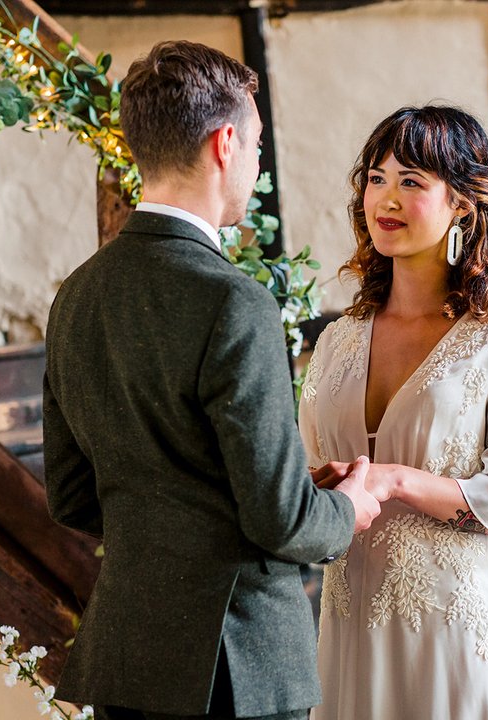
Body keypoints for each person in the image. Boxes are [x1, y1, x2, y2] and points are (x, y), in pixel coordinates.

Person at [43, 40, 381, 720]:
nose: (257, 166)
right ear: (226, 142)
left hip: (126, 657)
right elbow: (282, 522)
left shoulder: (76, 295)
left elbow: (73, 498)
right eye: (256, 147)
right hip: (236, 663)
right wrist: (348, 508)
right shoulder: (234, 302)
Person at [299, 106, 488, 719]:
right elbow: (314, 475)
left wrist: (395, 479)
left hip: (456, 637)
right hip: (347, 635)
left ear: (463, 205)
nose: (384, 198)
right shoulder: (339, 338)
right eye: (376, 178)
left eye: (411, 181)